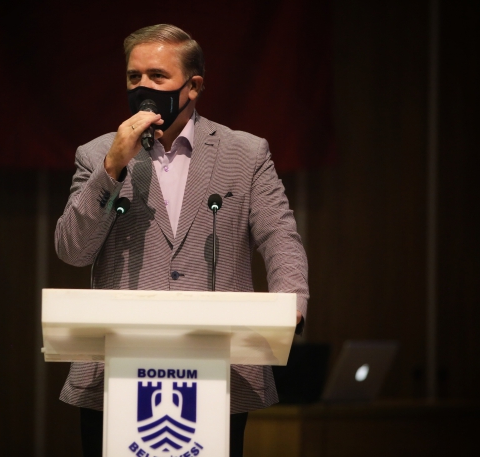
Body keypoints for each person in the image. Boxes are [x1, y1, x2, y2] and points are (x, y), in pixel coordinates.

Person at [55, 24, 308, 457]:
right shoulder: (97, 155)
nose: (143, 88)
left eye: (157, 76)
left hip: (219, 372)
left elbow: (280, 236)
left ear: (193, 86)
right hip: (113, 375)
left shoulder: (245, 153)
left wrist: (291, 303)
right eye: (134, 77)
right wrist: (112, 168)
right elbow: (73, 251)